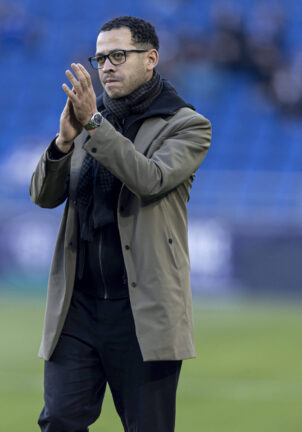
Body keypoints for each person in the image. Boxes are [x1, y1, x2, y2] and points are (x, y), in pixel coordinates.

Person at [29, 16, 211, 432]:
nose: (106, 66)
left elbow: (150, 179)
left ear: (151, 59)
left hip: (142, 312)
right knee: (58, 420)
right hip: (76, 306)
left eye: (117, 56)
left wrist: (93, 125)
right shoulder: (89, 120)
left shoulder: (187, 125)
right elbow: (42, 196)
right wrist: (61, 144)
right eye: (100, 58)